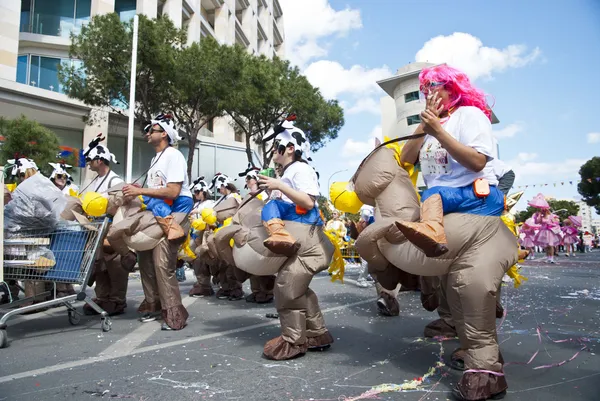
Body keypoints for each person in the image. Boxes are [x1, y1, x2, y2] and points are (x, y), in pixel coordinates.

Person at [398, 65, 508, 401]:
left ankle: (487, 364)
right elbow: (405, 157)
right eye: (425, 88)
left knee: (433, 196)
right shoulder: (431, 125)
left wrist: (441, 131)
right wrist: (425, 124)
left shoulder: (471, 115)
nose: (430, 93)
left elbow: (476, 161)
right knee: (450, 282)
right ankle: (458, 331)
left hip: (475, 197)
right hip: (444, 204)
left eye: (437, 87)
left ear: (454, 88)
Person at [258, 119, 334, 360]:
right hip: (301, 239)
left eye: (276, 145)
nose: (273, 150)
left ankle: (293, 340)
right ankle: (317, 333)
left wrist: (279, 186)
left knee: (287, 286)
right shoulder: (289, 172)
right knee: (299, 288)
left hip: (308, 240)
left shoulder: (300, 169)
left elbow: (308, 201)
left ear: (290, 148)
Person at [122, 113, 193, 331]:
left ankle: (174, 313)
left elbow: (173, 190)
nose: (147, 133)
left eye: (151, 129)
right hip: (158, 212)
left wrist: (140, 190)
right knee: (144, 258)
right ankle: (153, 304)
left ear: (164, 134)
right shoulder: (155, 159)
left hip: (177, 211)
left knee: (162, 262)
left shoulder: (174, 155)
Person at [80, 136, 129, 316]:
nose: (88, 164)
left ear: (99, 161)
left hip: (110, 228)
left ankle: (117, 300)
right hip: (96, 228)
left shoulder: (114, 180)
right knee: (99, 264)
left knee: (115, 265)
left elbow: (119, 205)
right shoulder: (95, 180)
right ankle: (102, 297)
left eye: (90, 161)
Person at [188, 177, 217, 297]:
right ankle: (202, 283)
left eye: (197, 192)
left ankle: (204, 284)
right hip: (195, 234)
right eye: (194, 192)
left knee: (203, 260)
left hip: (205, 234)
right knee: (197, 260)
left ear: (203, 191)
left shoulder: (210, 203)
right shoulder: (196, 204)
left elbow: (211, 218)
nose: (195, 195)